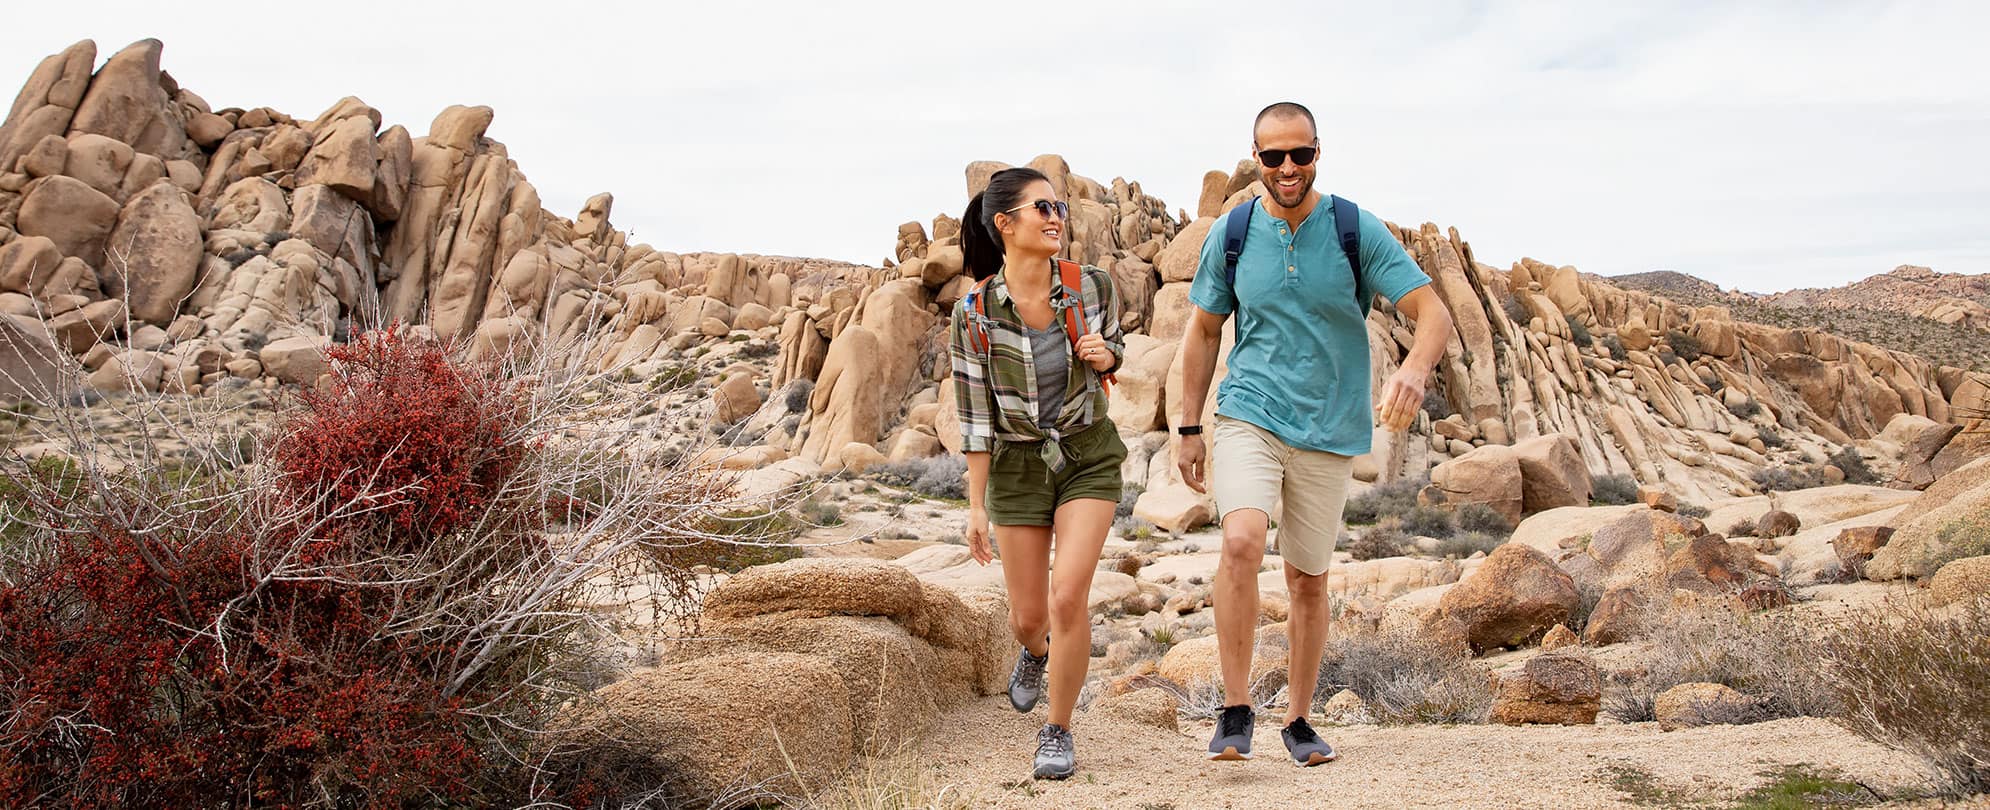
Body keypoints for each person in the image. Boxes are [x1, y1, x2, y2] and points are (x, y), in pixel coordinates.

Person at [1175, 102, 1454, 766]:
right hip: (1251, 411)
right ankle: (1236, 708)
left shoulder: (1356, 228)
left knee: (1307, 578)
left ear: (1318, 152)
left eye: (1300, 154)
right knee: (1242, 540)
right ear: (1256, 158)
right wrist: (1187, 426)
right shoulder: (1234, 232)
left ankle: (1298, 720)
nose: (1288, 168)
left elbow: (1432, 310)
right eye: (1273, 156)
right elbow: (1205, 331)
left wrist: (1415, 370)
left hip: (1330, 424)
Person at [948, 166, 1127, 781]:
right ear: (1005, 224)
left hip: (1087, 453)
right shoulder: (972, 313)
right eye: (1041, 209)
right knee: (1029, 618)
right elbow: (974, 418)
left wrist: (1109, 353)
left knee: (1068, 595)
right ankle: (1034, 652)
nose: (1056, 218)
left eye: (1059, 208)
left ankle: (1058, 728)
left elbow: (1115, 344)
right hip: (1018, 464)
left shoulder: (1090, 286)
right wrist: (976, 507)